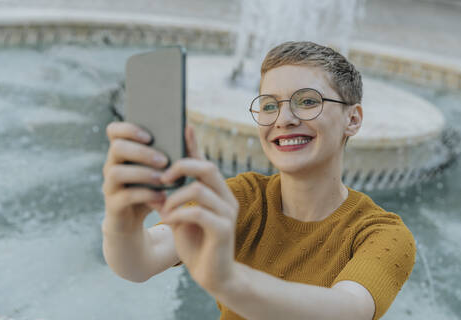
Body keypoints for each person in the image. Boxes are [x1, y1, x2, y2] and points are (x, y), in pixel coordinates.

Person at [101, 41, 416, 320]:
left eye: (307, 101)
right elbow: (139, 263)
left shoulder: (383, 235)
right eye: (269, 105)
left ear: (353, 119)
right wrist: (121, 223)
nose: (284, 119)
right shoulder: (243, 197)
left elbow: (348, 310)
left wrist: (228, 280)